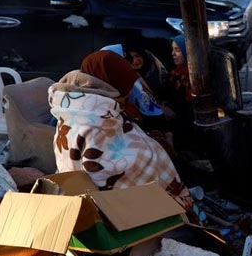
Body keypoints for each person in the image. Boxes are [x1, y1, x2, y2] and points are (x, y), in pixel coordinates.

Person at [48, 50, 195, 213]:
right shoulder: (96, 118)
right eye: (126, 85)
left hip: (77, 194)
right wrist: (153, 153)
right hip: (110, 209)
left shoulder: (75, 104)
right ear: (112, 82)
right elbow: (109, 169)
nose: (131, 91)